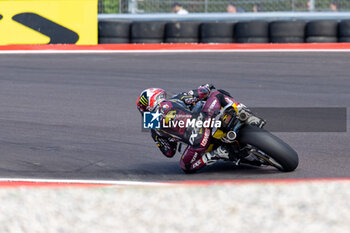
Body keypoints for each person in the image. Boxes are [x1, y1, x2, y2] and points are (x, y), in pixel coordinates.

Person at [137, 85, 264, 173]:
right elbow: (200, 92)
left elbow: (169, 153)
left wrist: (170, 138)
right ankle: (244, 113)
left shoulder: (153, 128)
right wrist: (206, 87)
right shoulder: (174, 99)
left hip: (198, 143)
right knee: (218, 94)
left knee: (186, 166)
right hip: (207, 120)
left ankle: (216, 154)